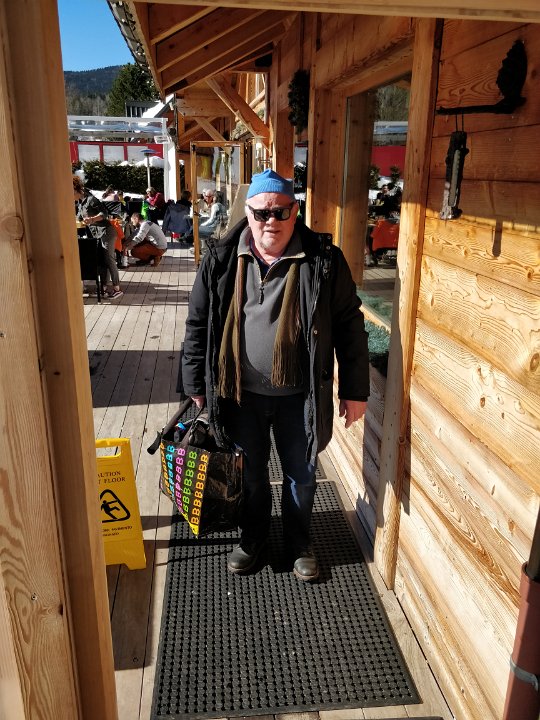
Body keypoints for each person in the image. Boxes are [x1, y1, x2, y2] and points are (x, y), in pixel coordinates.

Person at [180, 169, 370, 582]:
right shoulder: (221, 258)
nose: (271, 221)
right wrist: (194, 382)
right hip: (239, 394)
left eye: (281, 212)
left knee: (302, 473)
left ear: (295, 212)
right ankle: (254, 537)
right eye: (262, 212)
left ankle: (299, 541)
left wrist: (356, 390)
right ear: (247, 213)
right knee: (249, 473)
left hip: (300, 395)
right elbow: (199, 323)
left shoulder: (323, 260)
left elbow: (349, 324)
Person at [73, 175, 123, 299]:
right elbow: (79, 218)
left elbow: (104, 213)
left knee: (109, 259)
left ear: (75, 189)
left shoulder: (91, 199)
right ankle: (103, 288)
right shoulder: (81, 203)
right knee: (102, 260)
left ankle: (117, 288)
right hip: (97, 234)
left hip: (106, 232)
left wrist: (92, 219)